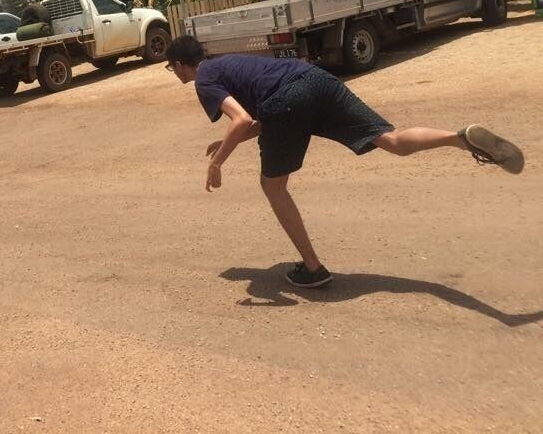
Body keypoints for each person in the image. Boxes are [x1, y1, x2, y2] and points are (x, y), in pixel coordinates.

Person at [164, 35, 524, 289]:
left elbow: (243, 118)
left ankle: (313, 269)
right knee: (391, 140)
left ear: (181, 64)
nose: (175, 73)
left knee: (272, 186)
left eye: (172, 68)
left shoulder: (204, 78)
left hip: (287, 99)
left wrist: (217, 163)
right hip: (314, 80)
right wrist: (228, 141)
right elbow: (260, 121)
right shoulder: (226, 64)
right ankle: (459, 138)